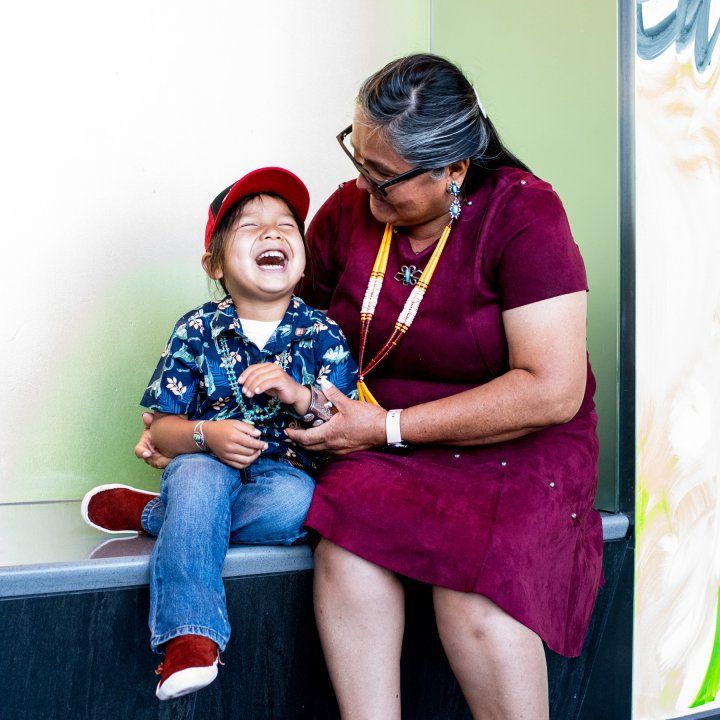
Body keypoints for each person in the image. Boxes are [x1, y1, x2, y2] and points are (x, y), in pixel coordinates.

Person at [138, 54, 602, 719]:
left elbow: (550, 390)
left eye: (383, 176)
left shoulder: (525, 213)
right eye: (358, 159)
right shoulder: (356, 209)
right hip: (373, 439)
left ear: (453, 170)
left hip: (512, 444)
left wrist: (383, 427)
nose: (363, 186)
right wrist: (188, 423)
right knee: (348, 550)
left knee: (474, 596)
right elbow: (278, 317)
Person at [81, 167, 357, 701]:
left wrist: (298, 395)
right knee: (199, 478)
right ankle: (189, 634)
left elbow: (343, 424)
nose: (273, 233)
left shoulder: (324, 333)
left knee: (299, 506)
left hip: (282, 477)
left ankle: (155, 515)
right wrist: (207, 435)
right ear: (214, 262)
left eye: (286, 225)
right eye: (250, 226)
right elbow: (163, 431)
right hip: (205, 465)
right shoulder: (196, 329)